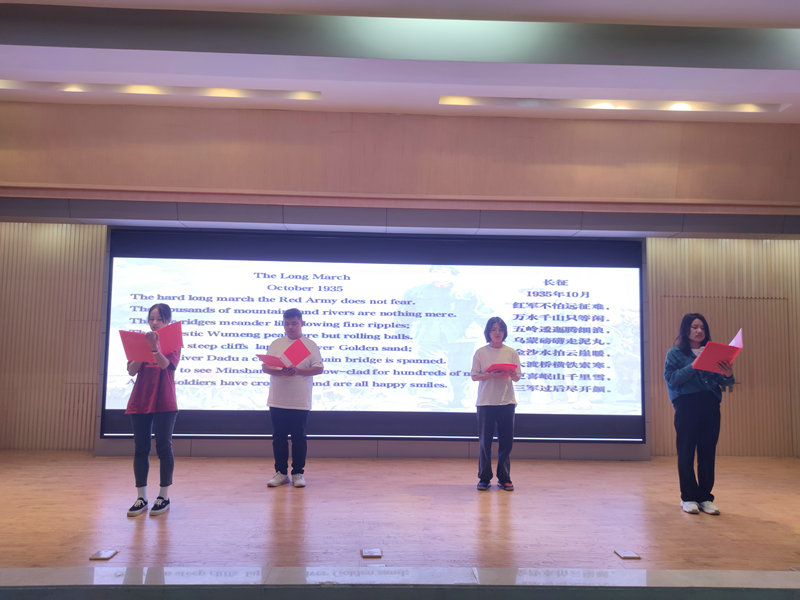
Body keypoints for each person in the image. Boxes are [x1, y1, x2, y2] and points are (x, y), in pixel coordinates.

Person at [664, 313, 734, 515]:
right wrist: (695, 364)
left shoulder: (712, 352)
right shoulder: (675, 353)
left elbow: (725, 383)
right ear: (686, 329)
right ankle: (688, 497)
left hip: (710, 405)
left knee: (707, 452)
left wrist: (728, 374)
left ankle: (705, 497)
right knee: (686, 451)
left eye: (702, 327)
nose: (699, 331)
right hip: (687, 405)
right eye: (694, 327)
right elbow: (672, 379)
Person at [125, 303, 180, 517]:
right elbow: (131, 370)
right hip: (141, 399)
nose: (155, 323)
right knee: (141, 448)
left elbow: (166, 365)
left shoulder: (173, 341)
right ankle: (141, 497)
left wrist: (154, 348)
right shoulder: (139, 341)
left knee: (164, 447)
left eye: (159, 319)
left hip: (164, 400)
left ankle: (163, 496)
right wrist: (143, 350)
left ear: (167, 321)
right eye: (151, 318)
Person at [262, 308, 324, 488]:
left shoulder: (309, 345)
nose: (290, 327)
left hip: (299, 400)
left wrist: (297, 371)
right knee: (279, 437)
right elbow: (265, 367)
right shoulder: (276, 344)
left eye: (294, 323)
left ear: (301, 323)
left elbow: (319, 368)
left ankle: (298, 473)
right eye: (287, 324)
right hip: (277, 399)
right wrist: (281, 371)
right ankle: (281, 473)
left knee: (299, 438)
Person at [471, 316, 522, 491]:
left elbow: (517, 377)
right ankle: (484, 478)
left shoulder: (511, 352)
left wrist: (511, 373)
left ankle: (504, 478)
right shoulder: (481, 352)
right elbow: (474, 376)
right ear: (488, 332)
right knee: (485, 443)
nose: (497, 332)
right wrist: (491, 375)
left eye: (500, 329)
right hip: (486, 403)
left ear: (505, 332)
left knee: (506, 443)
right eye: (493, 329)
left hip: (507, 402)